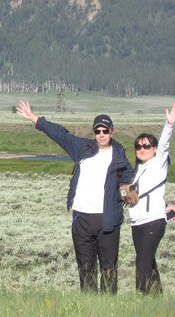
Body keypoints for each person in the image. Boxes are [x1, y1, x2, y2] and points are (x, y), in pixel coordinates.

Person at [16, 101, 134, 294]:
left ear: (112, 132)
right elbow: (61, 135)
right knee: (85, 267)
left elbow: (132, 181)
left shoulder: (120, 156)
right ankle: (88, 306)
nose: (101, 135)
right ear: (94, 133)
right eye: (98, 131)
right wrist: (35, 118)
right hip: (82, 218)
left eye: (105, 131)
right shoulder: (83, 148)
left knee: (109, 267)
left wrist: (130, 196)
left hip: (108, 219)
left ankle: (108, 308)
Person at [125, 103, 175, 294]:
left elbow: (164, 145)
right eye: (138, 145)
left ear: (154, 148)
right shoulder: (138, 170)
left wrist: (169, 125)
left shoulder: (159, 162)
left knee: (142, 263)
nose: (142, 148)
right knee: (148, 262)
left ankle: (141, 300)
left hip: (153, 221)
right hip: (137, 223)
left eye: (146, 145)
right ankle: (157, 301)